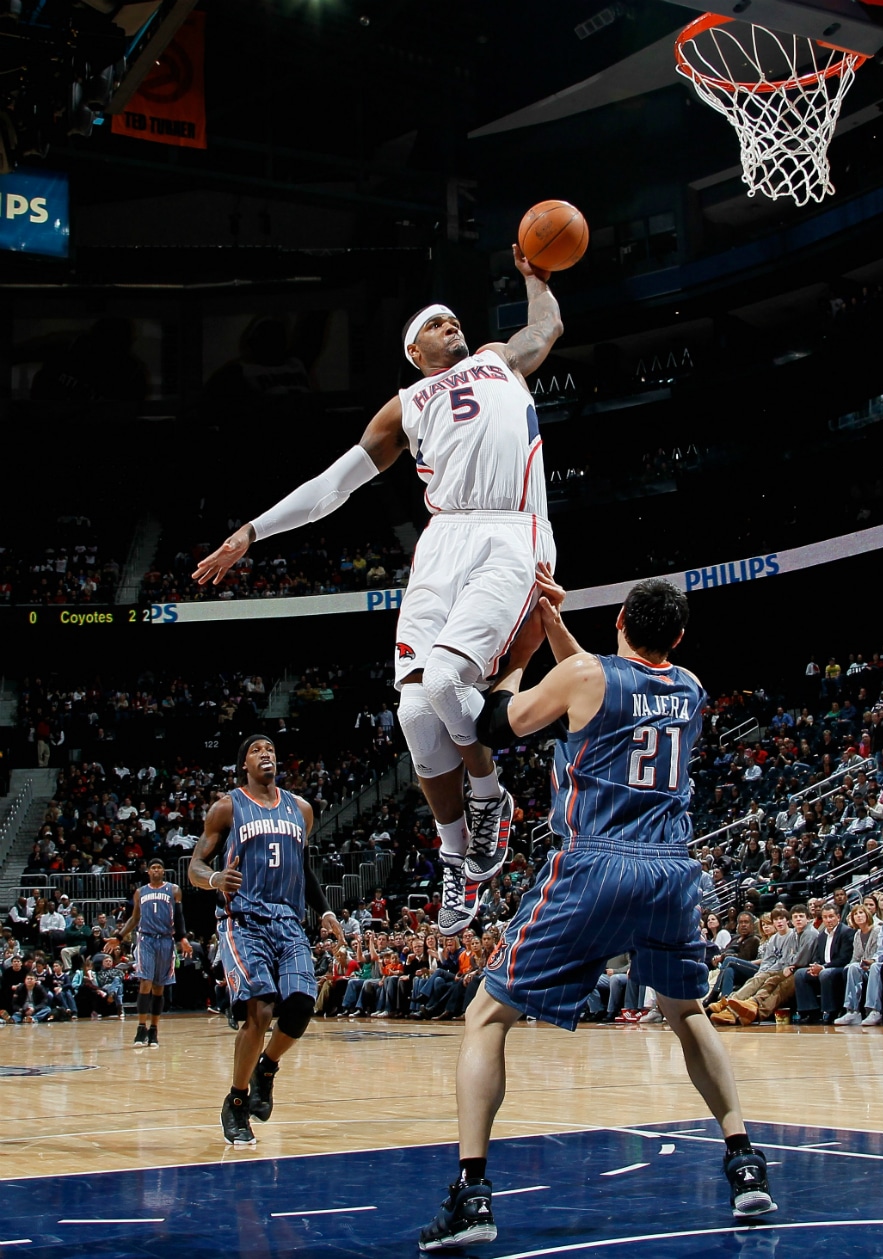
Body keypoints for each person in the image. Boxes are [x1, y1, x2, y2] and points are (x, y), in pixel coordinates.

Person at [193, 249, 564, 942]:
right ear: (414, 351)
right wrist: (252, 530)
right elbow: (334, 486)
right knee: (417, 710)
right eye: (436, 323)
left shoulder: (498, 359)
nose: (451, 324)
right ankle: (457, 856)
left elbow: (544, 328)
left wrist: (535, 279)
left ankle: (489, 793)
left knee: (451, 677)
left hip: (510, 530)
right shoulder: (407, 406)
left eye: (454, 318)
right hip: (443, 540)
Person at [418, 574, 776, 1252]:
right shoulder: (691, 687)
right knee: (686, 1010)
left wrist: (521, 650)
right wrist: (552, 616)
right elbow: (602, 684)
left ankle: (471, 1192)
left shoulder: (585, 675)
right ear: (677, 637)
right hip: (671, 867)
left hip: (595, 861)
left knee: (486, 1014)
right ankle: (744, 1160)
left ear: (618, 618)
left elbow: (501, 722)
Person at [189, 734, 344, 1147]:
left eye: (271, 749)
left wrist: (326, 910)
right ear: (245, 764)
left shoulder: (301, 810)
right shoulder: (227, 807)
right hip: (243, 919)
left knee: (301, 1005)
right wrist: (215, 880)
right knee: (260, 1008)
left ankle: (267, 1068)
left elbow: (303, 868)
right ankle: (237, 1103)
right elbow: (196, 865)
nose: (266, 754)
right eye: (257, 751)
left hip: (288, 920)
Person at [108, 857, 192, 1048]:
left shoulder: (173, 890)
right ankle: (141, 1027)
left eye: (159, 868)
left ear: (163, 871)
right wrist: (119, 937)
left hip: (165, 940)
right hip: (145, 939)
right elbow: (134, 918)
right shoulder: (140, 892)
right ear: (148, 871)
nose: (155, 870)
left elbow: (179, 917)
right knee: (145, 982)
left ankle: (154, 1029)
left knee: (158, 987)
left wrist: (183, 938)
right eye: (152, 867)